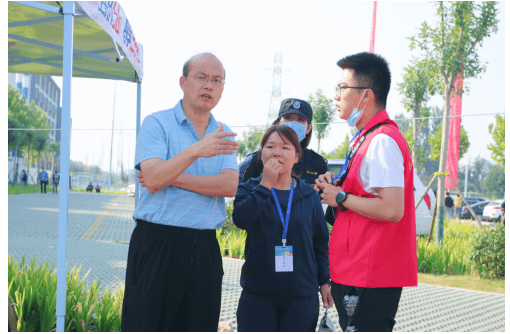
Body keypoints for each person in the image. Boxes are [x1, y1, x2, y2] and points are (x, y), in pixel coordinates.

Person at [122, 53, 239, 332]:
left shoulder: (224, 134)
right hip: (156, 243)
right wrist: (197, 150)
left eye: (216, 80)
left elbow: (228, 186)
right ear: (183, 82)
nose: (208, 85)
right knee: (145, 324)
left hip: (204, 249)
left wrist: (170, 176)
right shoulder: (157, 124)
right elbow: (152, 179)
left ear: (222, 90)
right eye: (201, 77)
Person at [314, 52, 417, 332]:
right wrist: (335, 186)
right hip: (356, 268)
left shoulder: (382, 141)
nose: (336, 95)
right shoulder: (364, 138)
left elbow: (393, 209)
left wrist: (341, 197)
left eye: (342, 87)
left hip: (371, 273)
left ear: (366, 96)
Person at [233, 125, 332, 332]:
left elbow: (320, 241)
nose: (277, 152)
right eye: (270, 146)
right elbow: (242, 220)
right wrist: (265, 185)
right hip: (258, 294)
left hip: (301, 296)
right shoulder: (249, 188)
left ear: (297, 156)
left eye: (286, 148)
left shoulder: (309, 195)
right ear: (261, 155)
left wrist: (324, 281)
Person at [238, 98, 328, 187]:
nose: (293, 124)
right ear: (278, 123)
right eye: (287, 118)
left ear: (308, 128)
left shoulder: (317, 163)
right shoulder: (257, 159)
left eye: (300, 119)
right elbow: (237, 188)